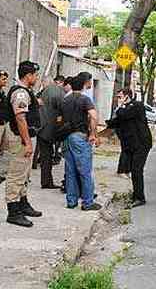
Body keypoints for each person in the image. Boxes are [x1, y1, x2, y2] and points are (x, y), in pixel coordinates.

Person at [5, 61, 43, 227]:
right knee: (16, 175)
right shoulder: (20, 93)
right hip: (21, 139)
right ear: (28, 76)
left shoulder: (26, 91)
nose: (36, 77)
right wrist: (27, 143)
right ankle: (13, 212)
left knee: (25, 174)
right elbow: (20, 118)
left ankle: (23, 203)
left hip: (26, 137)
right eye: (35, 74)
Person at [106, 89, 153, 208]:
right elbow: (114, 122)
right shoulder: (124, 109)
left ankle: (139, 198)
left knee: (137, 170)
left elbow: (124, 114)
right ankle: (136, 194)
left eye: (120, 96)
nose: (118, 99)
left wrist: (120, 106)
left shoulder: (137, 106)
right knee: (132, 170)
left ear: (127, 97)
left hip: (142, 143)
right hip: (131, 145)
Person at [62, 75, 102, 211]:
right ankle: (88, 202)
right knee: (85, 171)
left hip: (66, 138)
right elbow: (94, 116)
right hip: (80, 137)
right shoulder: (85, 99)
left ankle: (71, 201)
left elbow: (59, 119)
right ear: (84, 84)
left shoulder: (65, 100)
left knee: (70, 171)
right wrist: (93, 134)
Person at [36, 75, 66, 189]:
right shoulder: (58, 91)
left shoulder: (44, 92)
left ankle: (46, 181)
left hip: (42, 128)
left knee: (45, 157)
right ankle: (47, 182)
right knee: (48, 156)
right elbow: (63, 110)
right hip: (53, 129)